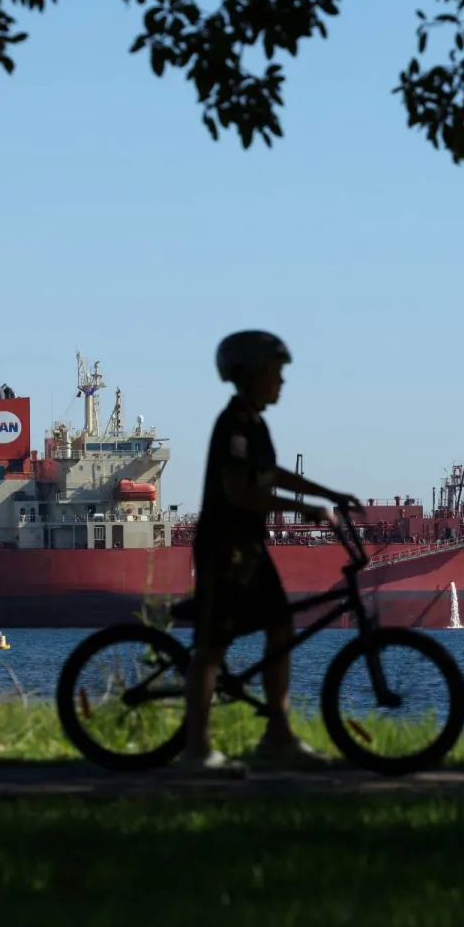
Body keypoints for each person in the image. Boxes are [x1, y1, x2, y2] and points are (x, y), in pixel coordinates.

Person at [179, 330, 361, 774]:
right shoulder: (234, 425)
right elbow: (241, 491)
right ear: (250, 375)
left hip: (250, 548)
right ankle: (196, 749)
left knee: (281, 626)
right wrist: (306, 509)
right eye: (275, 372)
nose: (281, 381)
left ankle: (277, 735)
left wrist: (330, 493)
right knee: (213, 645)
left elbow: (272, 473)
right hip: (227, 547)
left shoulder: (255, 424)